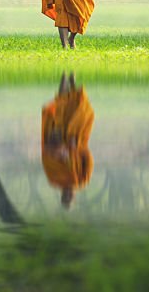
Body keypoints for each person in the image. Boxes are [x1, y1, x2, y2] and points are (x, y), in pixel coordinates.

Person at [41, 71, 95, 209]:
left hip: (57, 138)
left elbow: (46, 159)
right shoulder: (82, 180)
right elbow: (88, 159)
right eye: (69, 198)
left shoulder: (54, 180)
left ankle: (64, 79)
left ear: (61, 196)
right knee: (79, 110)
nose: (67, 195)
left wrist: (55, 149)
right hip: (76, 138)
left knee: (61, 108)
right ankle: (72, 84)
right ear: (74, 197)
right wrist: (77, 147)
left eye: (65, 197)